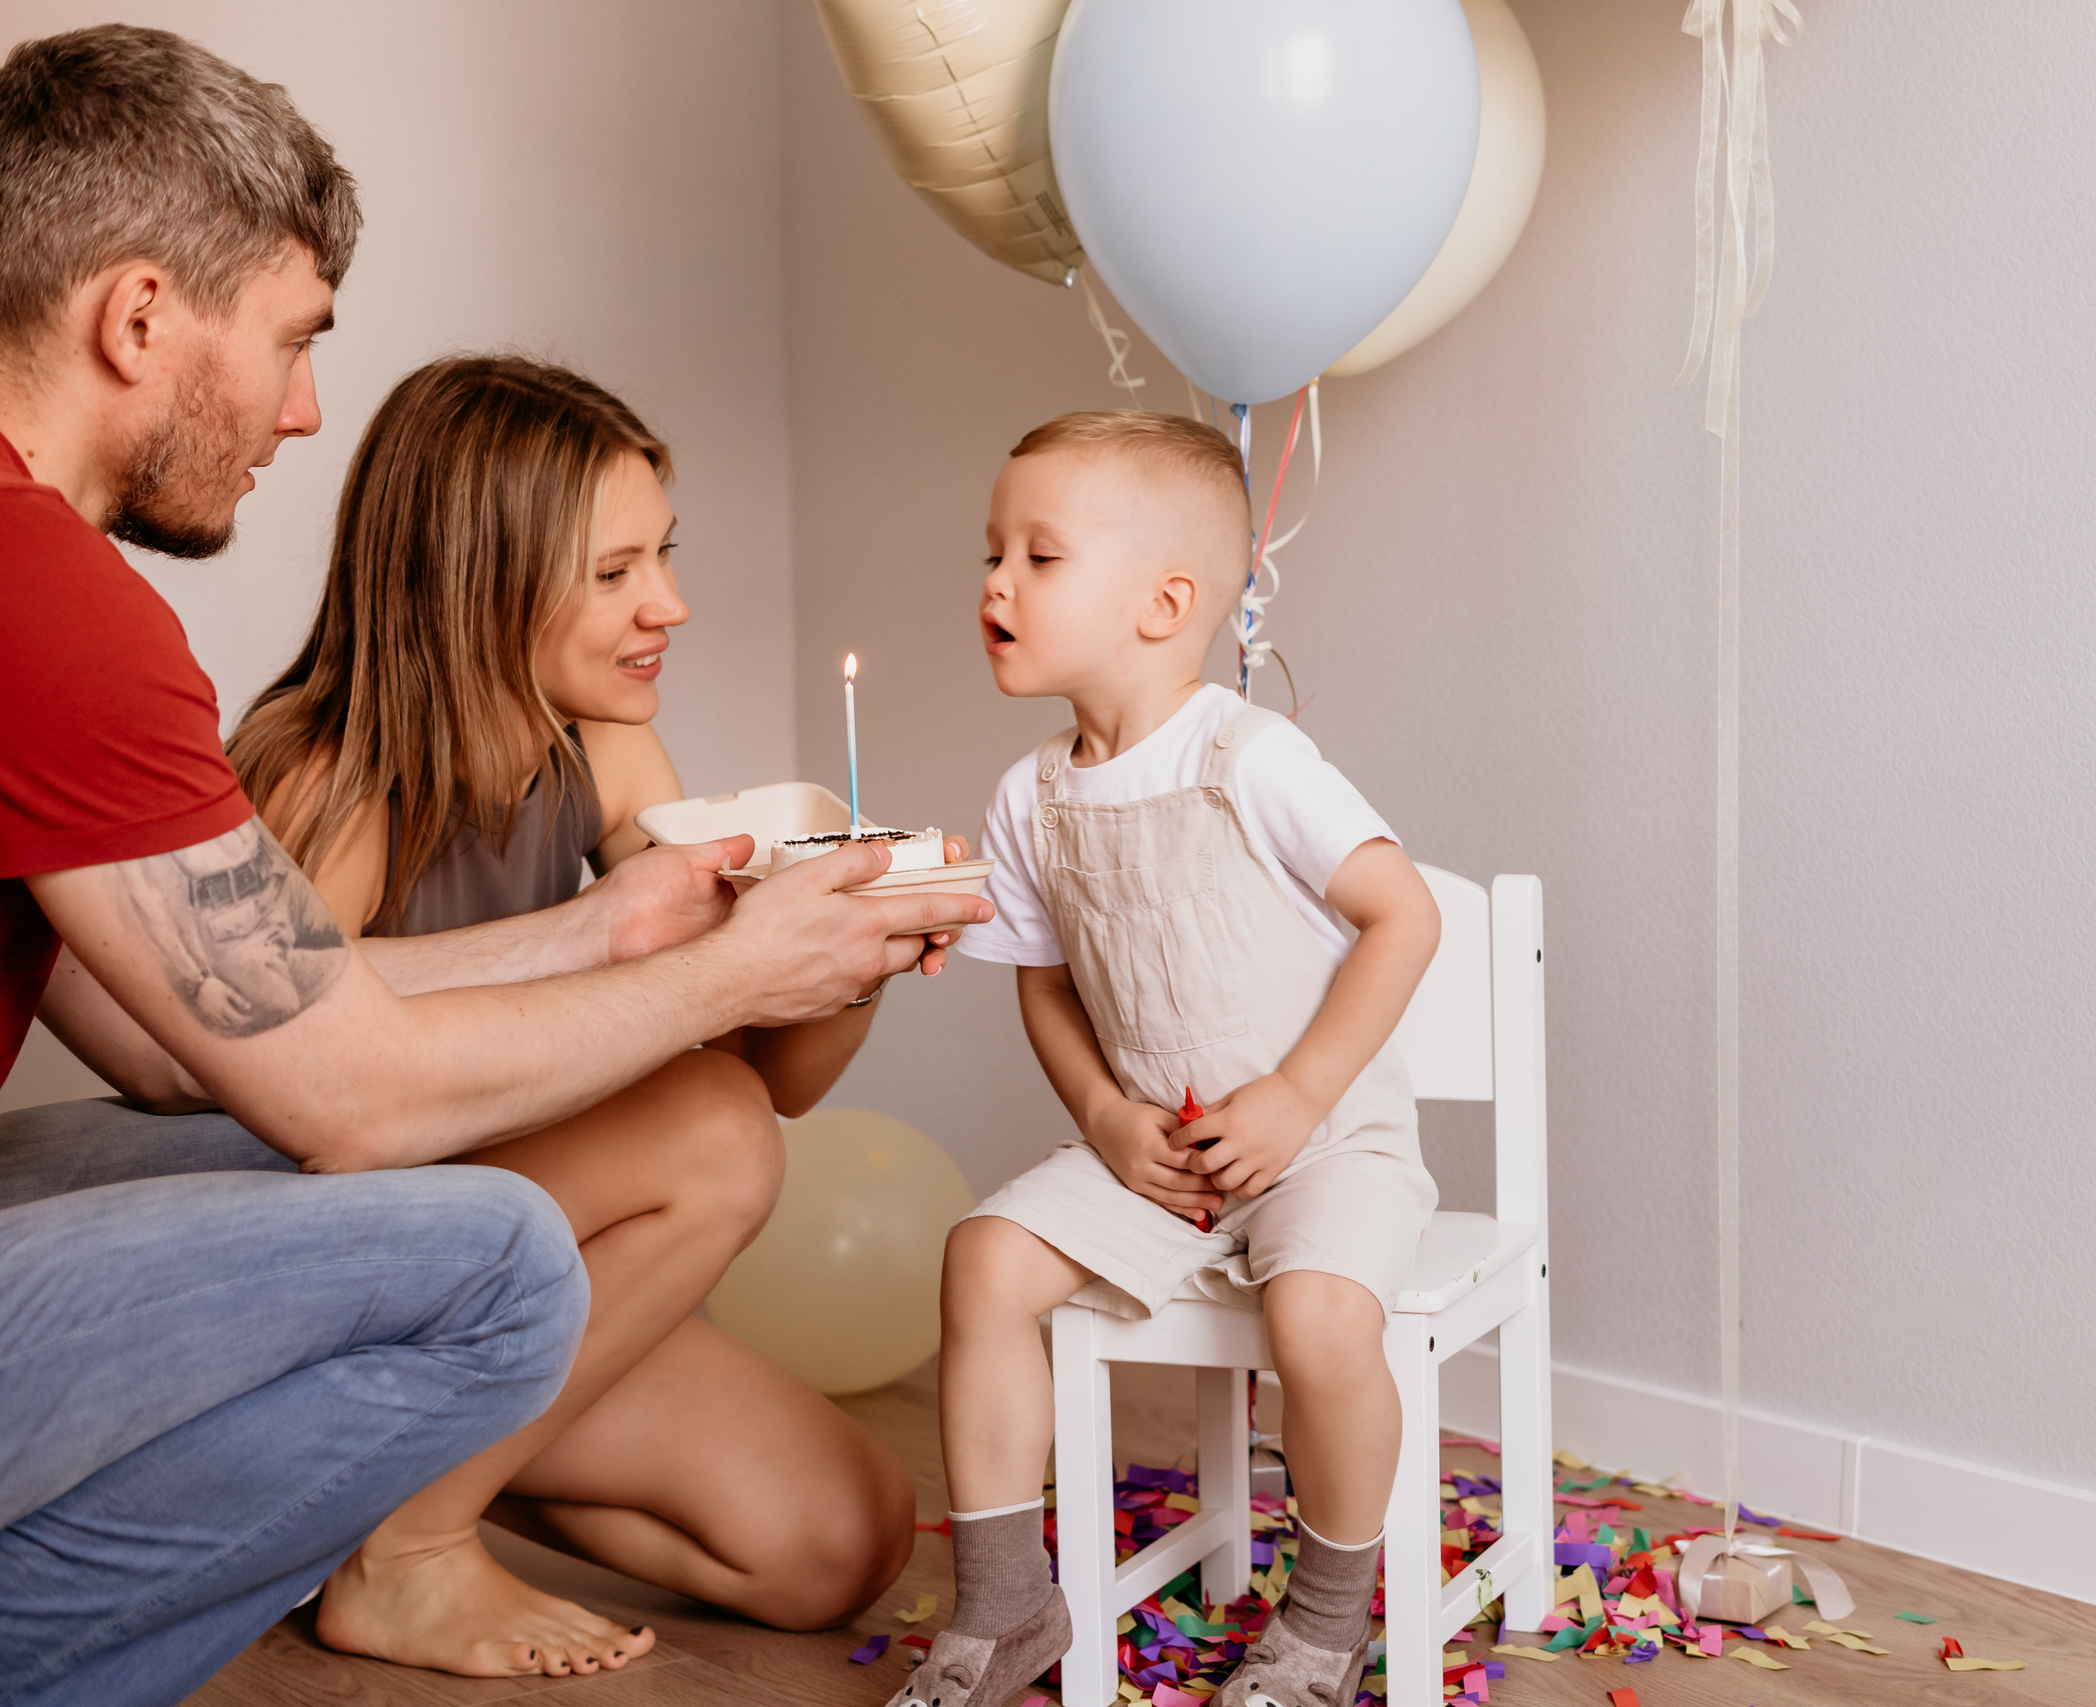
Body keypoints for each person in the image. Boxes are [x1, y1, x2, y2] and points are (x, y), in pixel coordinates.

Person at [0, 24, 986, 1700]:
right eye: (294, 341)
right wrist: (727, 970)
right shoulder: (58, 607)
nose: (309, 411)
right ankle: (386, 1546)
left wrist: (619, 932)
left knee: (819, 1503)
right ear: (142, 317)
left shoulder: (51, 603)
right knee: (503, 1254)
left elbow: (176, 1036)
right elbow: (342, 1100)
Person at [220, 352, 936, 1661]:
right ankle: (403, 1547)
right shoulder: (329, 781)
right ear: (475, 581)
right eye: (615, 574)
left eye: (662, 554)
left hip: (524, 1269)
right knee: (709, 1127)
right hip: (343, 1293)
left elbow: (778, 1074)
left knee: (844, 1537)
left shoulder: (597, 744)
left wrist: (859, 937)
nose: (668, 602)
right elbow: (282, 1123)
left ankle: (388, 1502)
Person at [911, 412, 1443, 1707]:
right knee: (982, 1259)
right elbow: (1044, 986)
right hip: (1156, 1150)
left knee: (1320, 1315)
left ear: (1166, 603)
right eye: (992, 554)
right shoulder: (1030, 795)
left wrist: (1298, 1095)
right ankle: (1005, 1608)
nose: (994, 583)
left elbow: (1405, 915)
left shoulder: (1250, 757)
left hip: (1323, 1145)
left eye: (1038, 558)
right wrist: (1101, 1113)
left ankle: (1324, 1618)